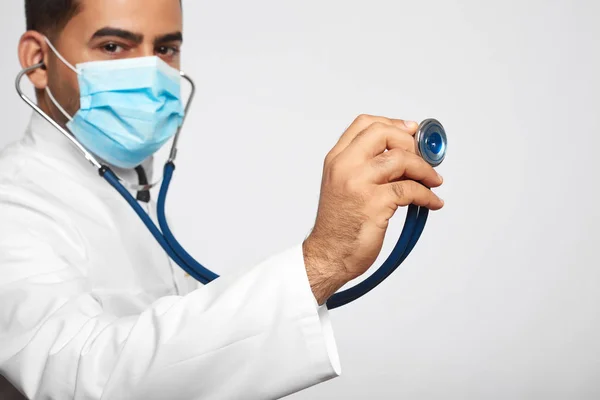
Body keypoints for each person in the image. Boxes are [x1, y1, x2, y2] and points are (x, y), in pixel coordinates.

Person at [0, 0, 445, 399]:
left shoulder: (134, 191)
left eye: (166, 48)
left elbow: (180, 356)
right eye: (114, 47)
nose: (152, 72)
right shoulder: (12, 202)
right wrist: (323, 260)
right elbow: (81, 378)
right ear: (38, 60)